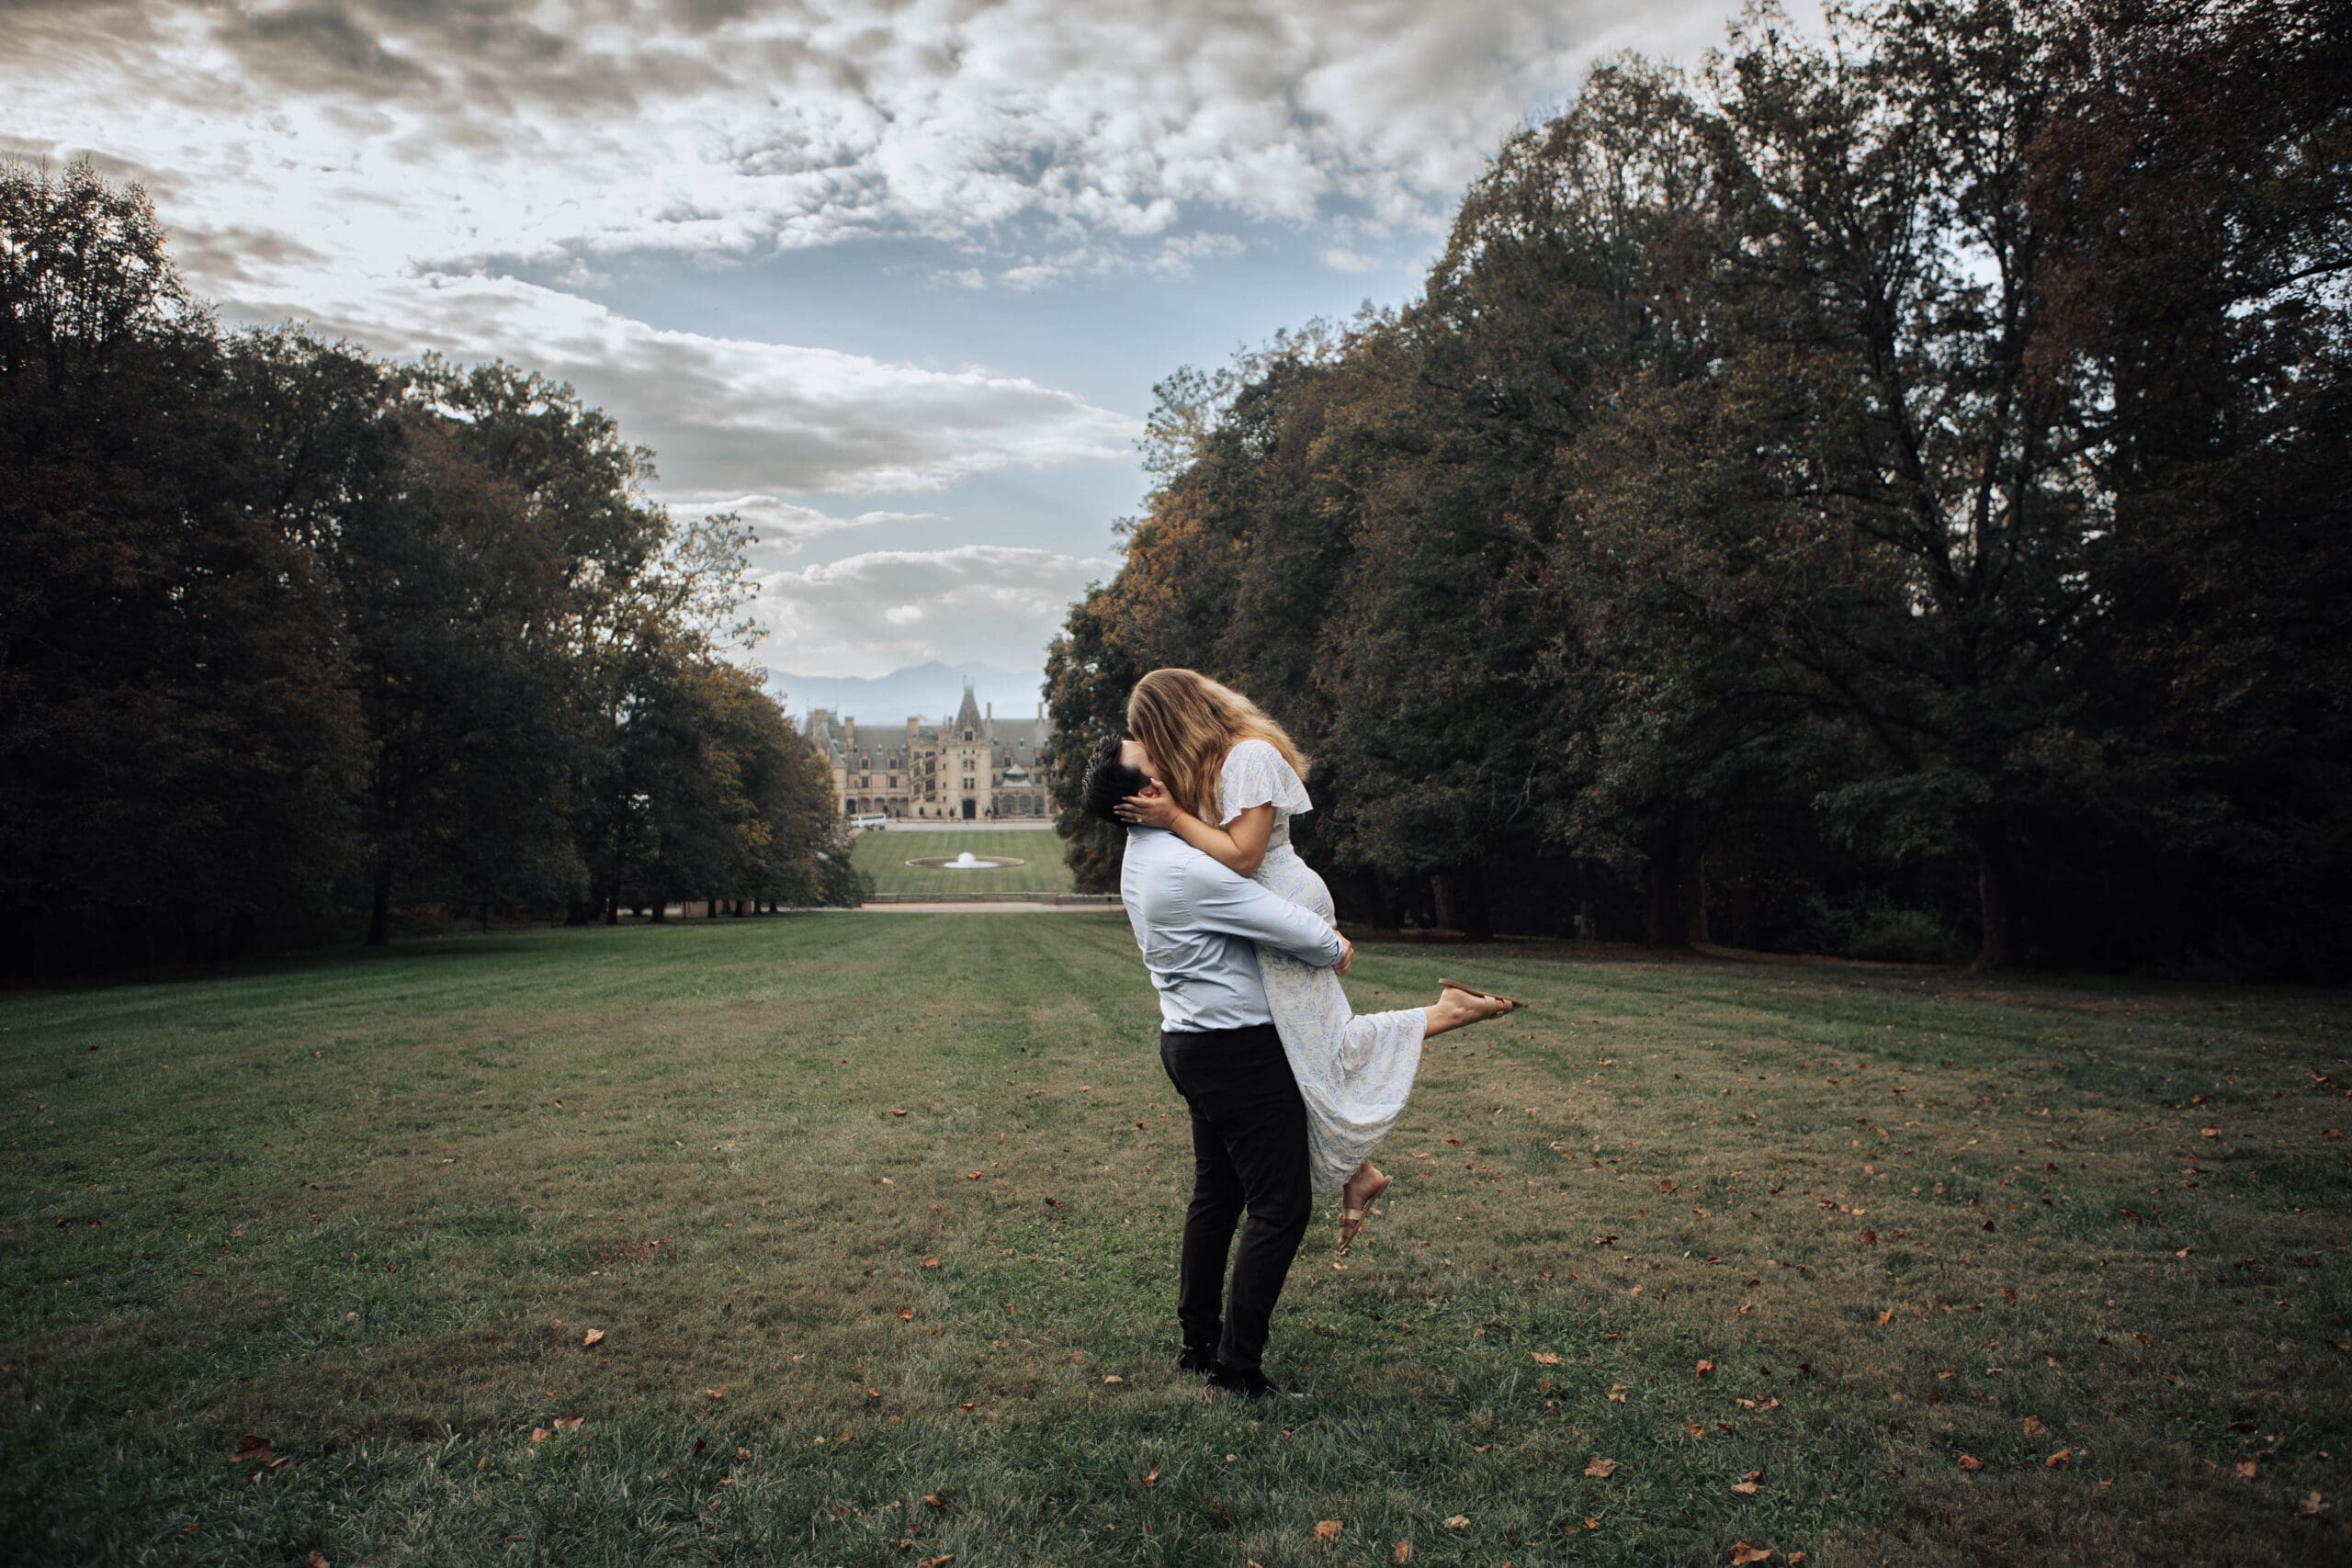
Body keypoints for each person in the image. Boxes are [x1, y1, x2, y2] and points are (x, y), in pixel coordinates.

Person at [1113, 670, 1520, 1252]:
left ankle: (1450, 1014)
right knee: (1294, 1050)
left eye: (1147, 736)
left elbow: (1246, 856)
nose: (1150, 755)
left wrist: (1174, 819)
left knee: (1322, 1046)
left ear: (1171, 721)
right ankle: (1361, 1172)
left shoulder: (1248, 755)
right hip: (1255, 913)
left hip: (1278, 905)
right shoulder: (1208, 768)